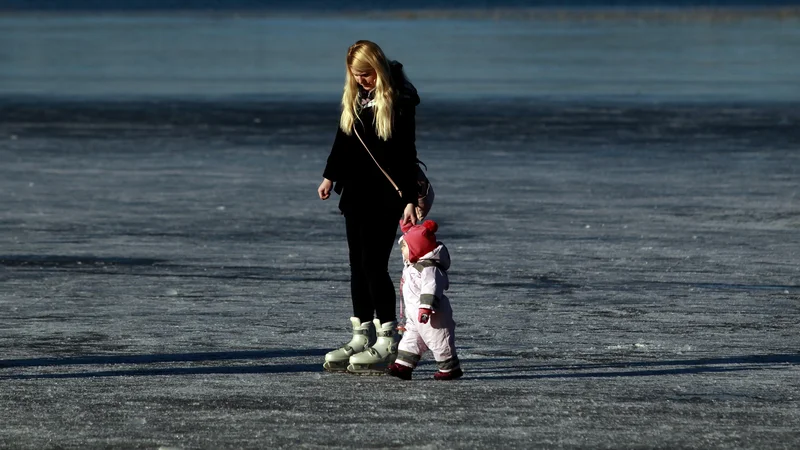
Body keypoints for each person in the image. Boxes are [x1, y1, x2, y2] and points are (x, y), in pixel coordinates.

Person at [318, 40, 420, 374]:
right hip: (356, 194)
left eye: (368, 73)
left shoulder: (399, 99)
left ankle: (388, 338)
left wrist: (408, 198)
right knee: (357, 266)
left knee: (374, 264)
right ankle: (361, 335)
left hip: (386, 197)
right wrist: (330, 177)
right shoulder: (356, 98)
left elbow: (405, 152)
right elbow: (343, 140)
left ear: (378, 67)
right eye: (357, 74)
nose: (363, 80)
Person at [387, 220, 462, 381]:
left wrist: (427, 307)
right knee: (410, 340)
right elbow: (414, 242)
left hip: (433, 314)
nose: (402, 252)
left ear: (417, 250)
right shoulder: (413, 265)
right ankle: (403, 366)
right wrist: (408, 229)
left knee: (439, 340)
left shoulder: (429, 268)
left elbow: (432, 287)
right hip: (415, 315)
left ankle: (450, 368)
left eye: (405, 248)